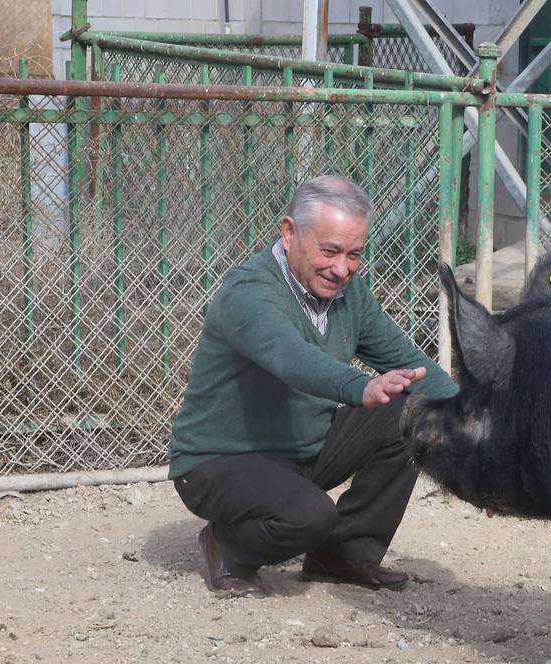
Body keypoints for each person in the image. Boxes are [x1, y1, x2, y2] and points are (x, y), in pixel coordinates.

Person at [168, 175, 457, 598]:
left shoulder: (349, 294)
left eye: (354, 254)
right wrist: (360, 386)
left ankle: (342, 555)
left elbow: (410, 364)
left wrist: (473, 421)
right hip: (220, 462)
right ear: (289, 233)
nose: (342, 269)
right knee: (309, 516)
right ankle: (225, 545)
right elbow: (289, 357)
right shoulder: (249, 290)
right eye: (330, 251)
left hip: (302, 452)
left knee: (415, 411)